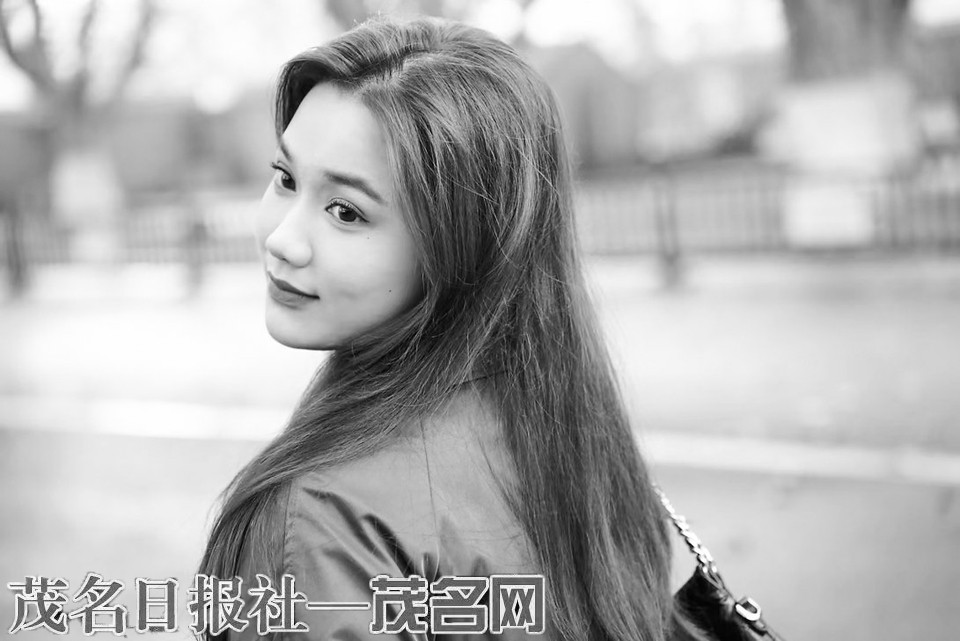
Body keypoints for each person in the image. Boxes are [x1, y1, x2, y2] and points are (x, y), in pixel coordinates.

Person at [198, 16, 703, 641]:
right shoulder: (569, 423)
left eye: (346, 211)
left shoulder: (323, 515)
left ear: (461, 242)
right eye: (285, 178)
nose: (282, 238)